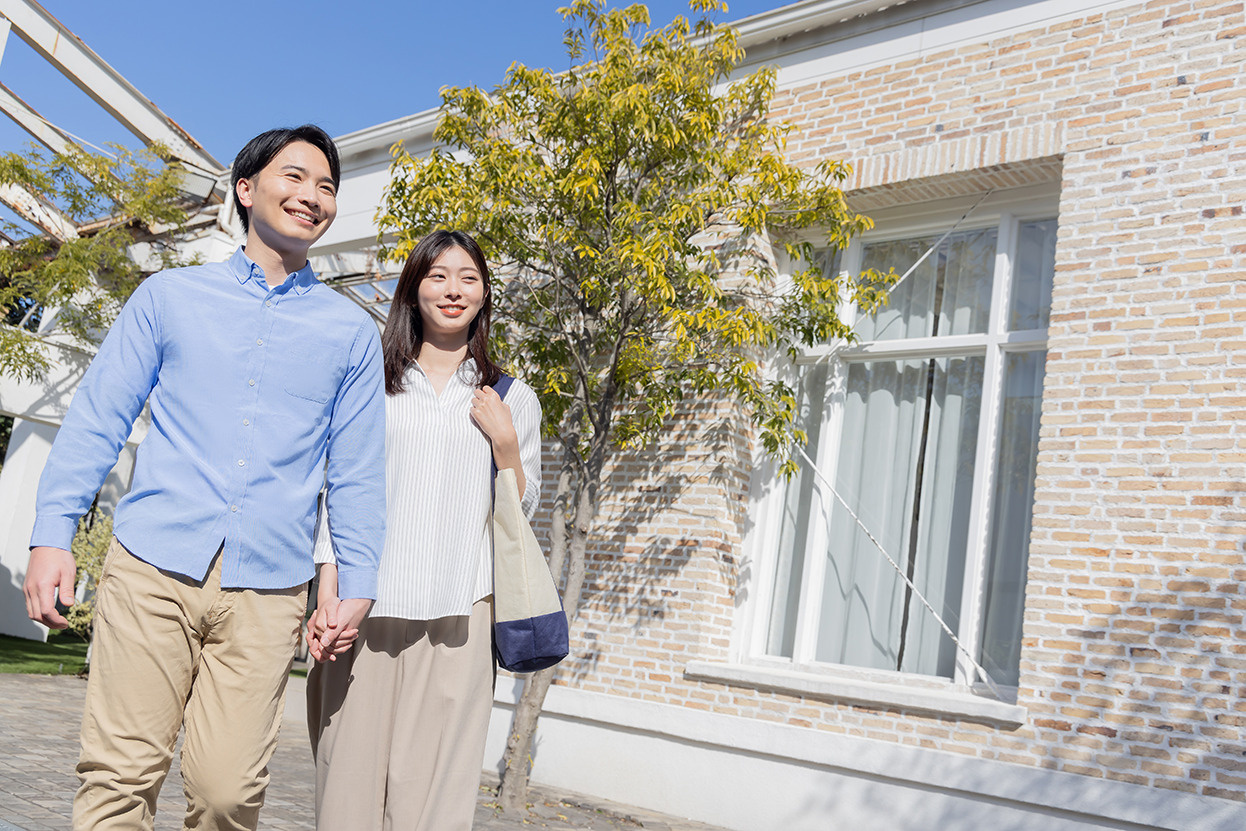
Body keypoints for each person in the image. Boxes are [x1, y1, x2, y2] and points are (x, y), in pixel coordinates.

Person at [21, 125, 386, 831]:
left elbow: (358, 470)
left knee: (227, 793)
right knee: (120, 775)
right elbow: (98, 418)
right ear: (245, 190)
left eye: (326, 186)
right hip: (152, 566)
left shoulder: (349, 334)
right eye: (294, 177)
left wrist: (357, 580)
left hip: (269, 589)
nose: (312, 196)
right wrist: (52, 534)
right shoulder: (169, 297)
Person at [307, 229, 542, 831]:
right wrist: (328, 589)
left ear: (484, 294)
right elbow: (339, 489)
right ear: (412, 289)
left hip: (462, 613)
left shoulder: (511, 397)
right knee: (347, 790)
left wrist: (506, 444)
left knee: (436, 800)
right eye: (438, 276)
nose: (453, 290)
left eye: (468, 277)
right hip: (366, 607)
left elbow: (518, 513)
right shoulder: (370, 383)